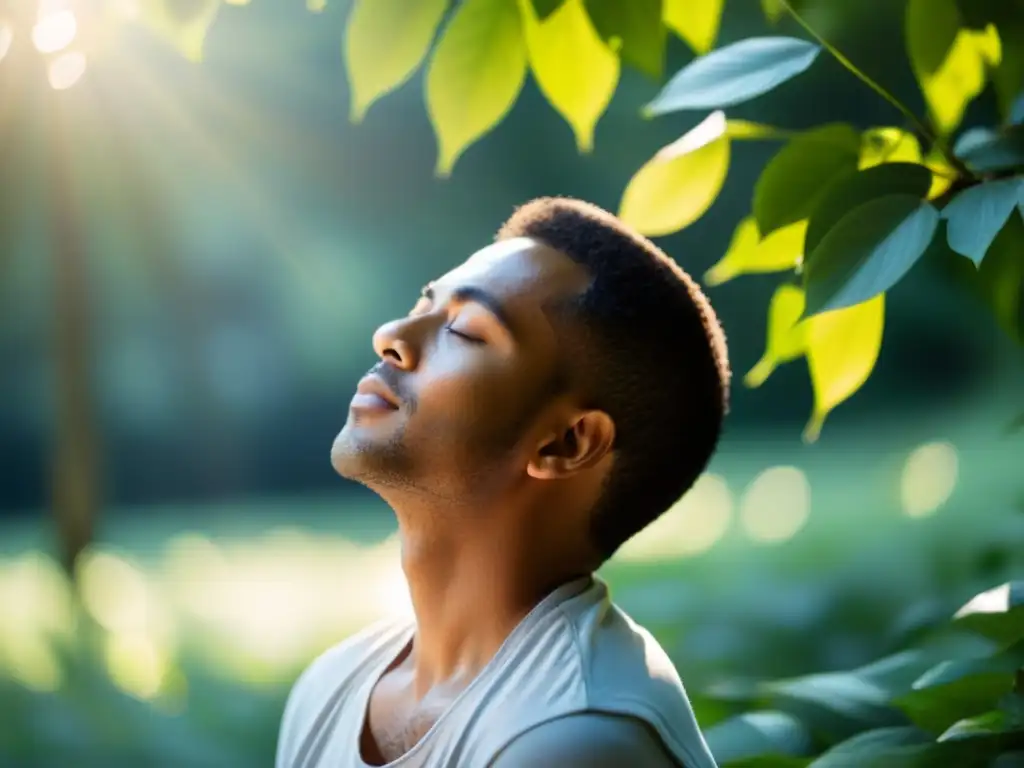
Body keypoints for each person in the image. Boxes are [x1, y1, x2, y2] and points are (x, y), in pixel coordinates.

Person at [275, 197, 730, 768]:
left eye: (464, 331)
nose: (392, 334)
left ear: (564, 444)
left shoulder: (574, 739)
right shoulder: (329, 688)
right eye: (425, 302)